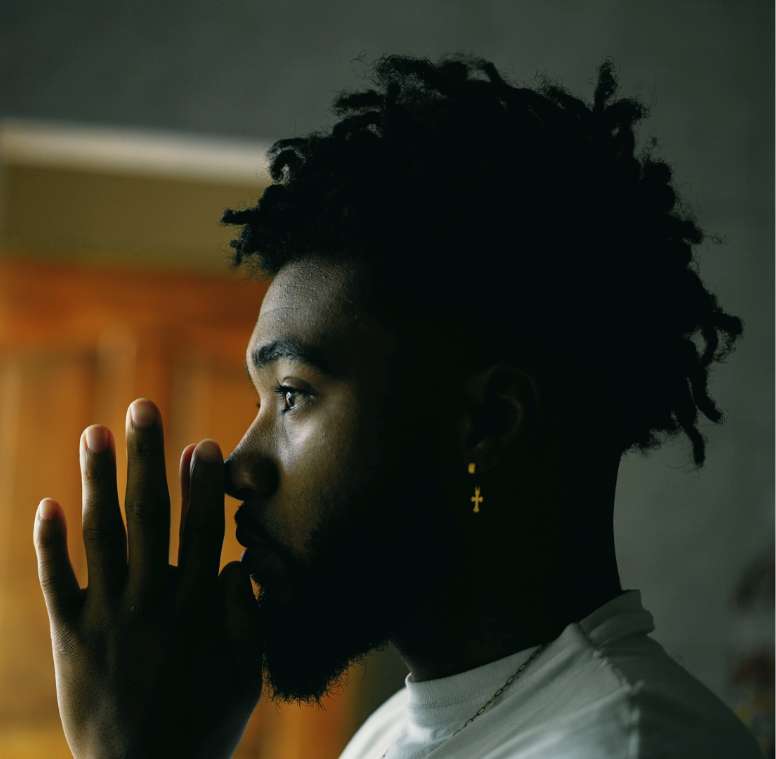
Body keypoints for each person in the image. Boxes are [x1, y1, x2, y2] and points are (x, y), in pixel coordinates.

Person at [32, 53, 764, 758]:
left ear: (488, 422)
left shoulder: (625, 745)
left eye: (291, 394)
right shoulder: (397, 729)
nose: (242, 464)